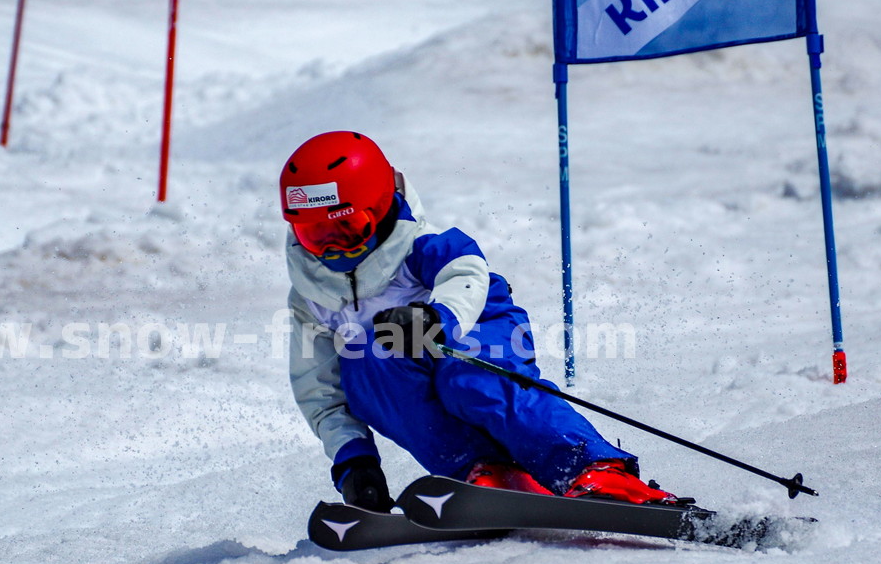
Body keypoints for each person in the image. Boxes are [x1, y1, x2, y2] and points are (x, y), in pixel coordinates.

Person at [281, 130, 678, 512]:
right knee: (364, 369)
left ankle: (597, 470)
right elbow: (321, 392)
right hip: (403, 357)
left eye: (346, 228)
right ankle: (486, 472)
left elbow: (467, 274)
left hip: (476, 327)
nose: (331, 250)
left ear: (380, 207)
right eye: (316, 234)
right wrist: (355, 461)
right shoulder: (311, 299)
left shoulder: (423, 247)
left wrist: (437, 318)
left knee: (468, 381)